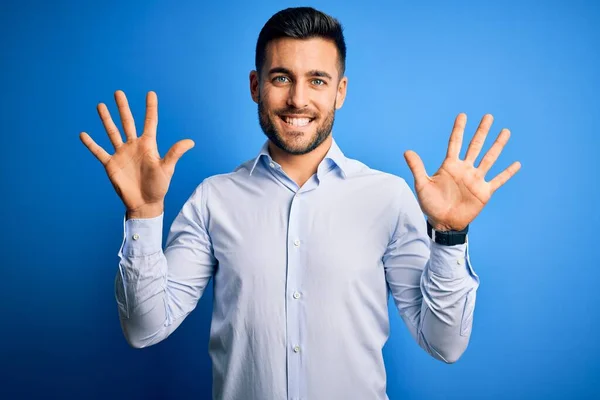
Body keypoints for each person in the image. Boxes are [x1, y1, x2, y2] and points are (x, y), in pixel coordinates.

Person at [79, 7, 520, 400]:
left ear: (340, 91)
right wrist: (143, 215)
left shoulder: (387, 198)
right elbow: (144, 328)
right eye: (281, 77)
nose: (298, 99)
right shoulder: (214, 199)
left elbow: (444, 343)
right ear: (256, 85)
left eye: (317, 80)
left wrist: (450, 236)